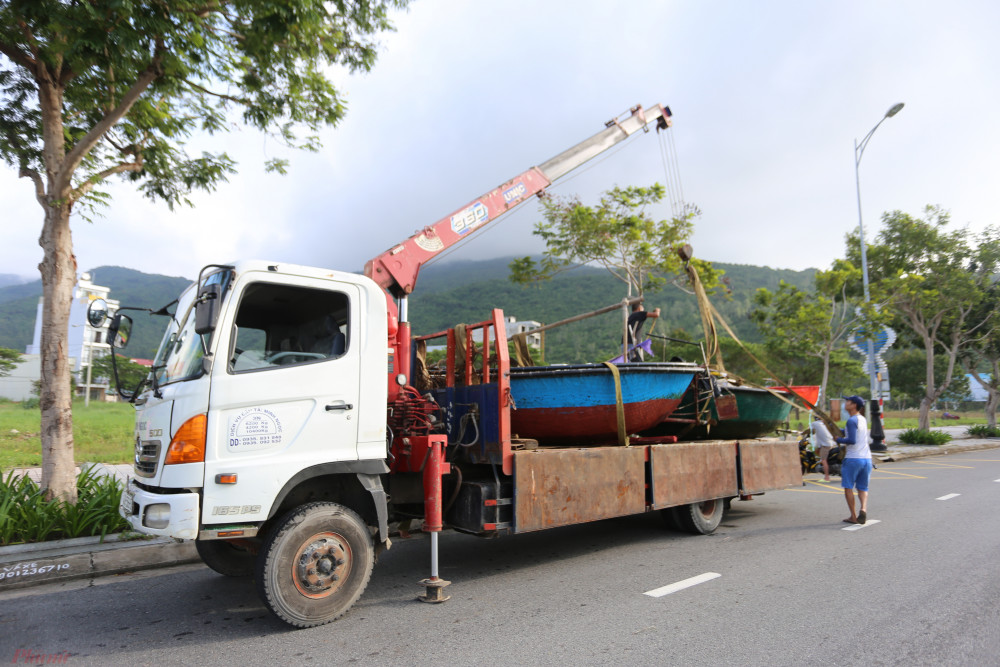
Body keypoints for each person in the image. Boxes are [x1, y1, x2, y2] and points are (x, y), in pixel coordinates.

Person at [837, 395, 872, 524]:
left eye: (848, 402)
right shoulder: (862, 419)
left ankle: (853, 516)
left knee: (848, 487)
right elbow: (853, 433)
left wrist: (838, 440)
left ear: (853, 405)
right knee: (863, 488)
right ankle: (863, 509)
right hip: (866, 459)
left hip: (853, 458)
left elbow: (851, 440)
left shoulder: (851, 421)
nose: (845, 403)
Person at [812, 418, 836, 482]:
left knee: (823, 460)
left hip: (825, 445)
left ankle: (827, 477)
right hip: (829, 443)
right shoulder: (824, 425)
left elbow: (809, 430)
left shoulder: (815, 423)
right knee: (817, 451)